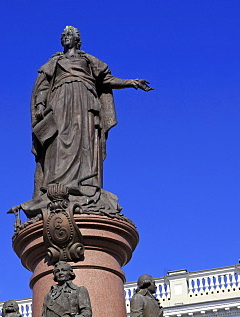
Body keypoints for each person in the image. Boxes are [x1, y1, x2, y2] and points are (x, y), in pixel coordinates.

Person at [19, 26, 152, 219]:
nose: (65, 38)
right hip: (60, 102)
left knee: (85, 143)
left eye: (69, 35)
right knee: (59, 143)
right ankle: (56, 186)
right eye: (63, 35)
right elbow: (43, 85)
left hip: (85, 103)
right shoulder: (55, 61)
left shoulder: (88, 61)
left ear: (77, 40)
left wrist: (131, 83)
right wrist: (40, 103)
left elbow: (107, 79)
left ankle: (85, 183)